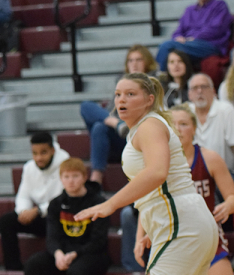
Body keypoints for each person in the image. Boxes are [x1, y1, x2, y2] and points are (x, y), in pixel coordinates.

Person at [75, 73, 218, 275]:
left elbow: (157, 172)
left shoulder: (149, 125)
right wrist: (153, 226)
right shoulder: (141, 128)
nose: (121, 99)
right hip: (180, 222)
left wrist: (111, 203)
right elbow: (158, 186)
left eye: (130, 94)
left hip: (181, 224)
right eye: (118, 94)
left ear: (149, 100)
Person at [80, 44, 158, 183]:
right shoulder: (122, 82)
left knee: (99, 126)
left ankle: (96, 179)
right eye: (130, 60)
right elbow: (111, 110)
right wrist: (116, 121)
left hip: (135, 138)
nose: (134, 64)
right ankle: (95, 181)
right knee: (87, 108)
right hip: (117, 135)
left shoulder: (154, 84)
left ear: (147, 62)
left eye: (139, 60)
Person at [171, 105, 234, 275]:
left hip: (208, 236)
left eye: (183, 124)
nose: (177, 129)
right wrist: (140, 237)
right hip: (174, 238)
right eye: (172, 124)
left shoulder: (209, 157)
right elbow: (148, 205)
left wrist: (228, 205)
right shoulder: (159, 164)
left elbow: (232, 196)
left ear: (194, 129)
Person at [24, 158, 110, 275]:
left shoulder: (98, 203)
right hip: (63, 253)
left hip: (91, 254)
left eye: (75, 176)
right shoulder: (55, 204)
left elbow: (98, 241)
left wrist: (75, 254)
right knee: (34, 264)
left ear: (85, 177)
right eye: (66, 177)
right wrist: (58, 254)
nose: (71, 181)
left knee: (76, 271)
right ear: (61, 179)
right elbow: (52, 237)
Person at [0, 132, 70, 270]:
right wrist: (23, 211)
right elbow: (23, 195)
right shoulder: (29, 168)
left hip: (59, 219)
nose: (39, 158)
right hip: (40, 217)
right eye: (34, 153)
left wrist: (38, 210)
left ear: (53, 150)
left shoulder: (65, 165)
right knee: (6, 221)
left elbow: (64, 200)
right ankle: (13, 269)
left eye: (43, 153)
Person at [155, 0, 232, 70]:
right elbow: (178, 31)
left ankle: (161, 78)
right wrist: (178, 37)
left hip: (210, 45)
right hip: (189, 45)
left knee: (167, 46)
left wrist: (193, 38)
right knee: (167, 47)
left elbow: (216, 30)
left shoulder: (220, 5)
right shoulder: (189, 10)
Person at [188, 73, 234, 170]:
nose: (199, 91)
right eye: (195, 88)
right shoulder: (186, 113)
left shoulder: (226, 110)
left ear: (213, 91)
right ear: (189, 95)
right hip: (194, 175)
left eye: (204, 87)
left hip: (225, 173)